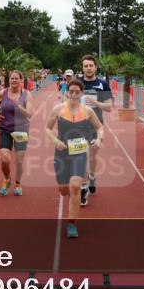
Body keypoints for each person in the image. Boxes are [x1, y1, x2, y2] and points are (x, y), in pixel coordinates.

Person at [45, 79, 104, 238]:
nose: (73, 94)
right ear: (67, 92)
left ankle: (72, 223)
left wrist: (98, 139)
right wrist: (56, 141)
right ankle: (65, 190)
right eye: (71, 91)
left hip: (79, 153)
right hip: (61, 153)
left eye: (77, 92)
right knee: (64, 190)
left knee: (75, 186)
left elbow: (100, 127)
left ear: (81, 93)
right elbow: (47, 128)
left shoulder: (88, 111)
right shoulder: (58, 109)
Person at [0, 70, 35, 197]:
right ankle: (7, 179)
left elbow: (29, 114)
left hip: (21, 130)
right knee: (5, 159)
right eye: (12, 78)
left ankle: (17, 183)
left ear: (21, 80)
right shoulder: (2, 93)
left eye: (17, 78)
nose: (14, 80)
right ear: (9, 80)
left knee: (18, 161)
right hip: (5, 129)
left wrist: (19, 106)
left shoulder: (26, 94)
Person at [80, 55, 113, 203]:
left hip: (96, 125)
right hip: (79, 126)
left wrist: (95, 102)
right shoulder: (77, 83)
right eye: (86, 66)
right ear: (82, 68)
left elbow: (109, 107)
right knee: (81, 157)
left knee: (91, 157)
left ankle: (92, 177)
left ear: (95, 67)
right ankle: (83, 188)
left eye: (90, 65)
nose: (88, 68)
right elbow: (67, 101)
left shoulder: (102, 84)